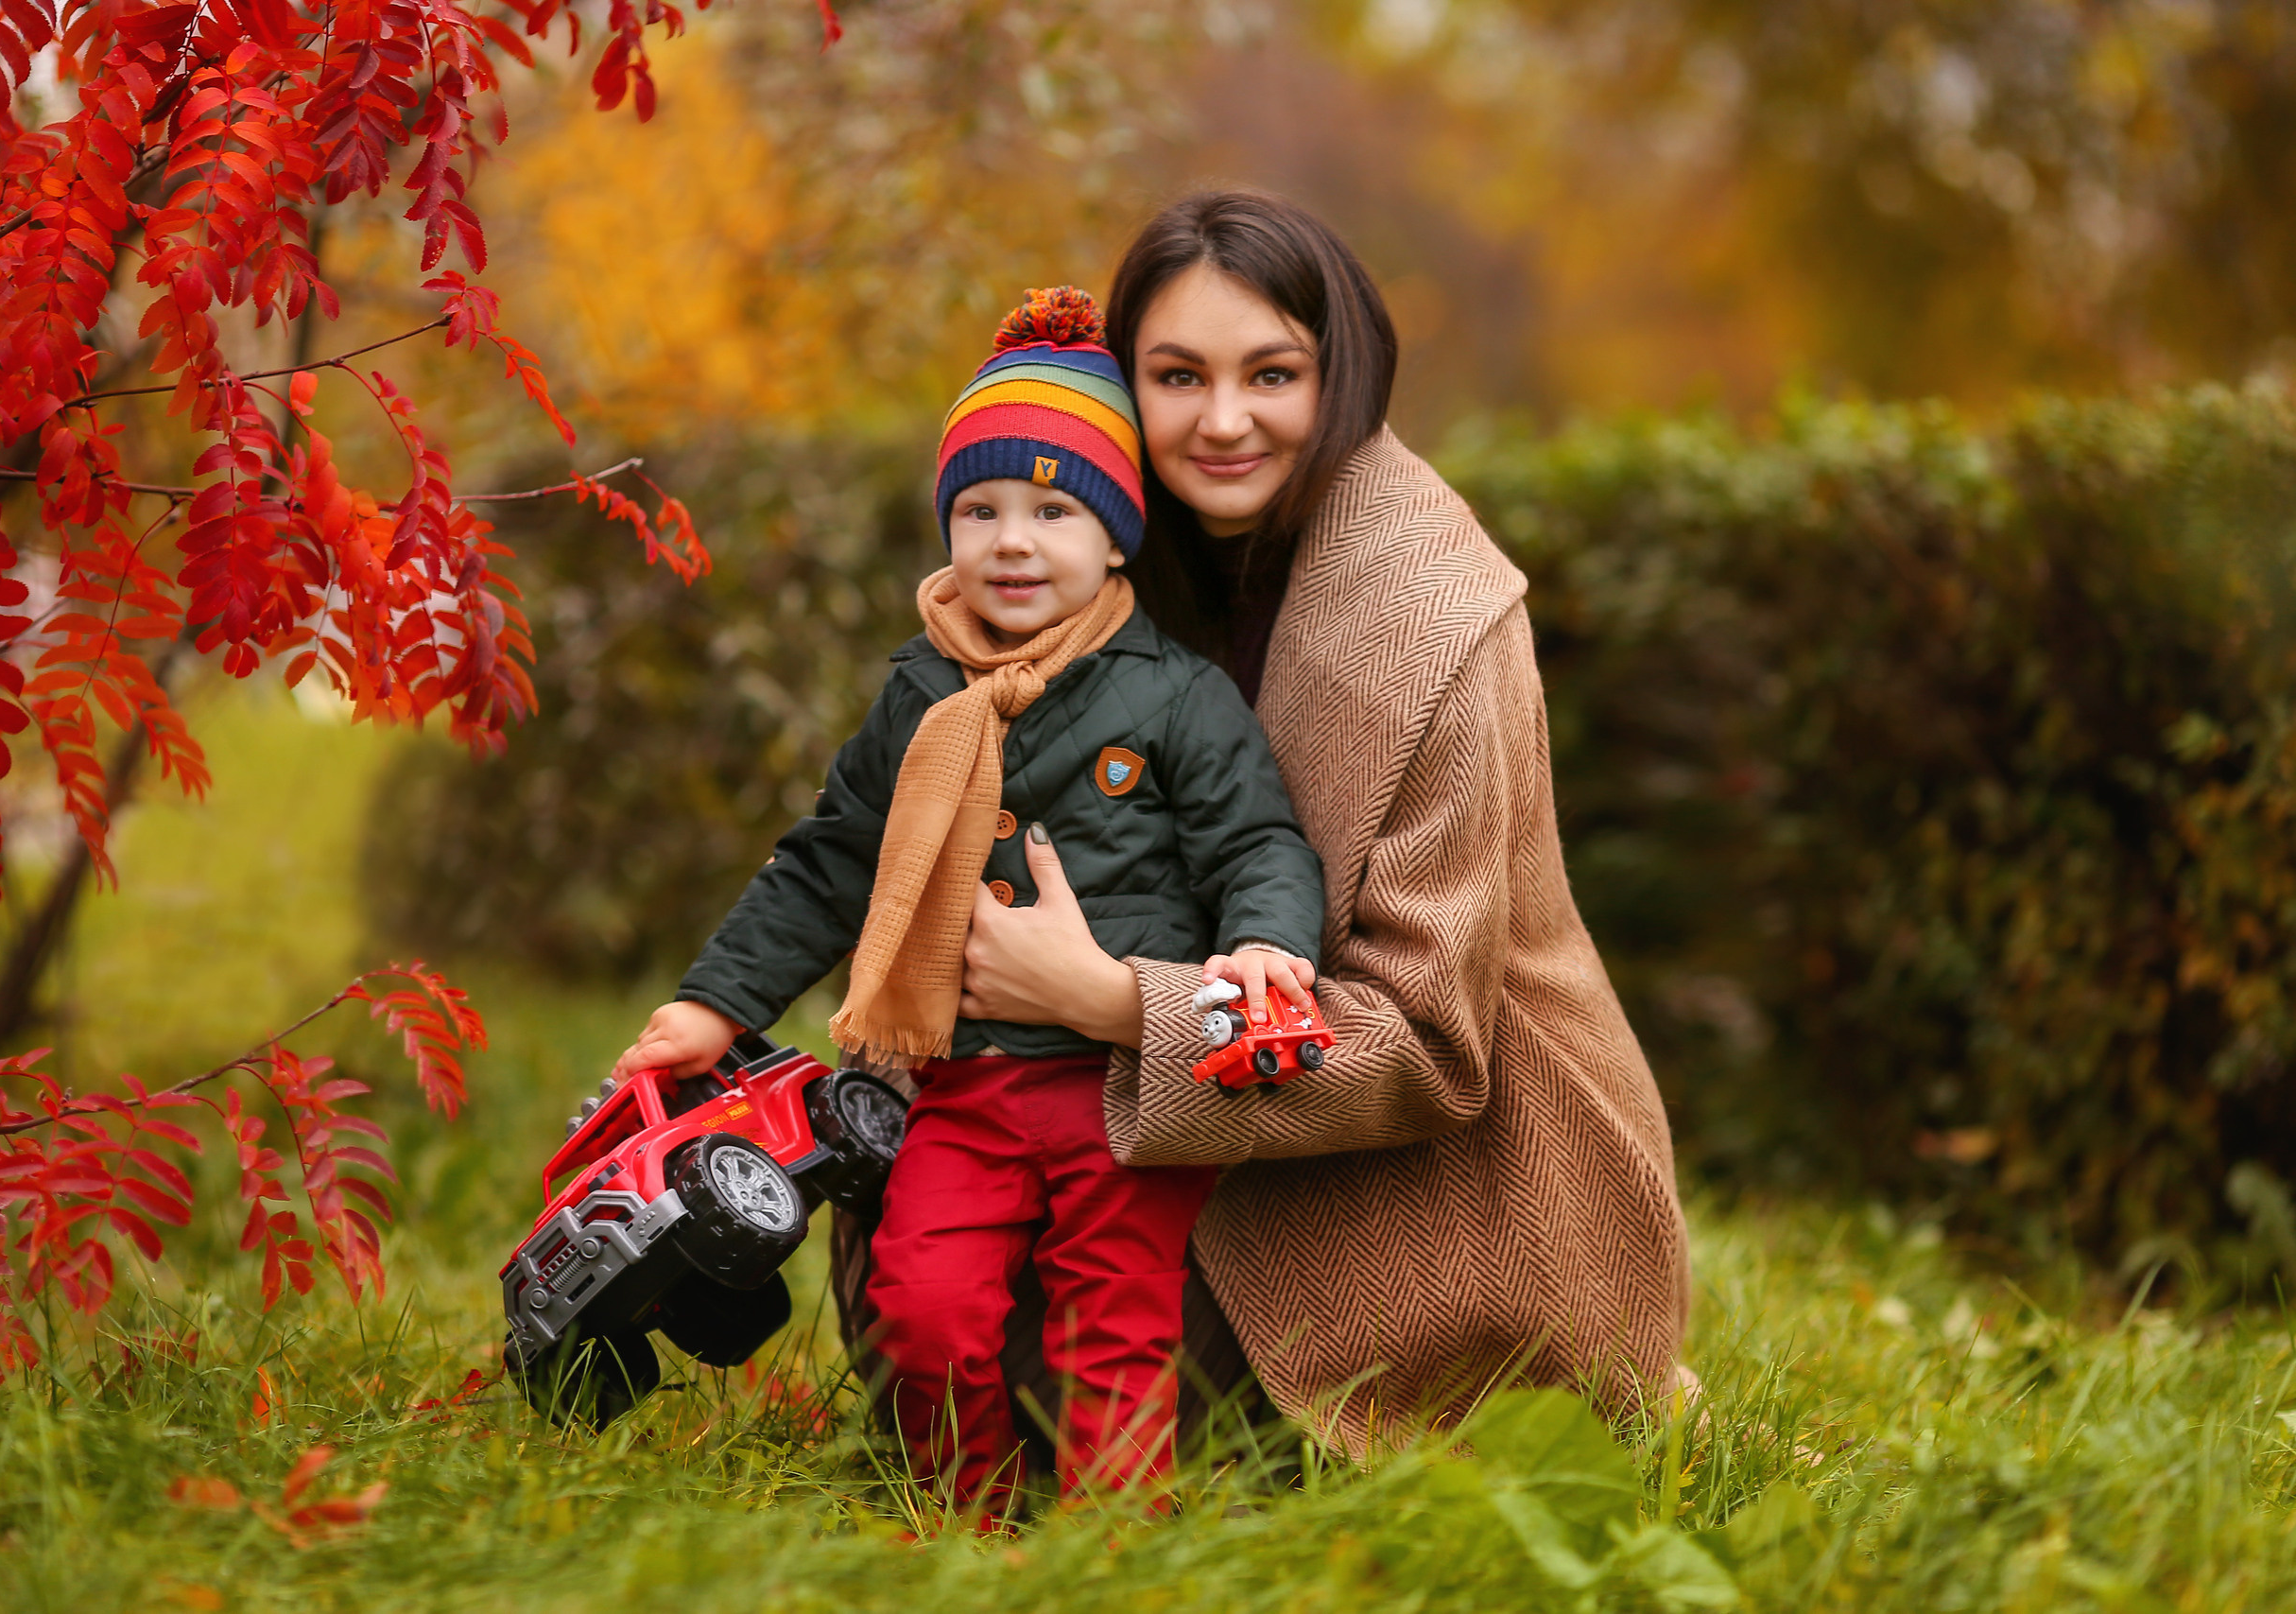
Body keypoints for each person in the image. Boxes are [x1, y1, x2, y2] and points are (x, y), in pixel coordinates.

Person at [946, 192, 1693, 1454]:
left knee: (1056, 1393)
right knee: (914, 1241)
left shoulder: (1440, 629)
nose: (1224, 421)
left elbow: (1427, 1041)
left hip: (1462, 1187)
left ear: (1337, 376)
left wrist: (1116, 1003)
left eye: (1272, 374)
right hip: (1188, 1115)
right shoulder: (1114, 559)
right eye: (1178, 375)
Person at [610, 286, 1325, 1514]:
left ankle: (1116, 1536)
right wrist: (712, 1008)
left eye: (1054, 510)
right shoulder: (922, 697)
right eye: (981, 507)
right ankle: (962, 1510)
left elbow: (1255, 838)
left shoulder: (1173, 697)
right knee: (923, 1305)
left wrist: (1264, 941)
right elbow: (831, 858)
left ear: (1116, 541)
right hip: (964, 1081)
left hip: (1121, 1092)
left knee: (1117, 1319)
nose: (1011, 540)